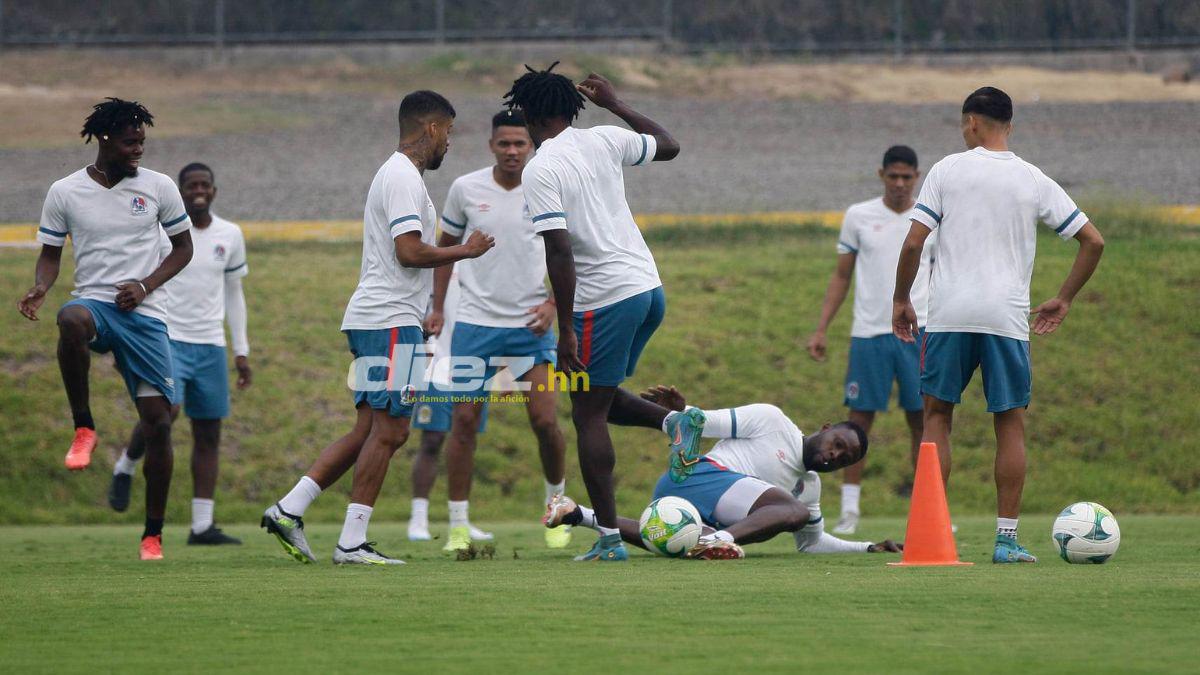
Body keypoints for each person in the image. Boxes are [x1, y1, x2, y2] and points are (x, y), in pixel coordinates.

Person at [261, 90, 494, 565]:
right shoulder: (402, 177)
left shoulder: (400, 175)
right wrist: (463, 252)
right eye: (448, 132)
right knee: (392, 431)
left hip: (385, 317)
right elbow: (409, 251)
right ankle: (351, 543)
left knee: (370, 426)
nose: (449, 143)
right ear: (431, 129)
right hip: (386, 319)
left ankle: (290, 509)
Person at [893, 86, 1105, 563]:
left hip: (949, 314)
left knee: (937, 416)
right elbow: (1093, 241)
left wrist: (901, 298)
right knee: (1009, 422)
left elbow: (912, 245)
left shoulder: (948, 169)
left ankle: (932, 529)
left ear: (971, 122)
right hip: (1007, 317)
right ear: (1009, 124)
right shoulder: (1032, 179)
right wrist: (1063, 298)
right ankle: (1006, 540)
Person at [505, 63, 702, 563]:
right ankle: (673, 424)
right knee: (602, 396)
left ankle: (611, 539)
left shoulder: (541, 168)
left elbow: (560, 253)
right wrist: (615, 104)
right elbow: (670, 144)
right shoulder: (603, 139)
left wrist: (566, 327)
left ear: (527, 113)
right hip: (647, 290)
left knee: (586, 414)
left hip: (604, 300)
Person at [17, 98, 193, 560]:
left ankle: (152, 534)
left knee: (159, 423)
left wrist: (145, 285)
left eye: (142, 141)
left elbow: (182, 248)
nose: (139, 149)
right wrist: (40, 287)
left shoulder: (159, 187)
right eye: (131, 141)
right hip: (96, 303)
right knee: (69, 318)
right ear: (105, 138)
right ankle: (84, 427)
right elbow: (51, 253)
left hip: (147, 316)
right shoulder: (65, 191)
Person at [421, 109, 571, 552]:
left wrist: (552, 304)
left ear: (532, 146)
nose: (511, 151)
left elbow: (569, 254)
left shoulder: (549, 186)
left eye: (519, 144)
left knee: (544, 421)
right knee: (463, 421)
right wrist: (437, 307)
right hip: (476, 325)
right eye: (503, 143)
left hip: (530, 326)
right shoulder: (465, 188)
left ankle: (557, 507)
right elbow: (444, 249)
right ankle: (458, 526)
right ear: (491, 145)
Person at [544, 386, 902, 559]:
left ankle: (578, 514)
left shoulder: (810, 487)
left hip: (684, 511)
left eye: (844, 458)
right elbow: (705, 422)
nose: (834, 455)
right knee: (790, 511)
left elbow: (812, 544)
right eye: (837, 443)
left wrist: (867, 547)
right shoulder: (773, 420)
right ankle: (717, 541)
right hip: (696, 476)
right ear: (825, 428)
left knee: (678, 544)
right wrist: (682, 410)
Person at [107, 162, 251, 546]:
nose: (198, 191)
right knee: (165, 413)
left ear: (214, 191)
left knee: (208, 432)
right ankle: (126, 466)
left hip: (210, 346)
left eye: (205, 184)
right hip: (167, 338)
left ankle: (201, 526)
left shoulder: (230, 234)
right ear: (180, 192)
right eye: (191, 186)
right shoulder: (160, 233)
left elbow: (234, 294)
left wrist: (242, 350)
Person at [806, 146, 932, 535]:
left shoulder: (930, 218)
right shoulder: (858, 216)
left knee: (925, 421)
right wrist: (822, 327)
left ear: (916, 177)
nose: (898, 183)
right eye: (892, 176)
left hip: (919, 331)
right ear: (881, 175)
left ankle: (928, 511)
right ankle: (850, 512)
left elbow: (944, 271)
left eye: (906, 177)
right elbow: (842, 276)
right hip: (869, 334)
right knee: (856, 424)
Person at [407, 267, 492, 543]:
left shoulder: (481, 262)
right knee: (431, 440)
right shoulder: (432, 260)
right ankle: (418, 518)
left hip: (473, 365)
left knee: (466, 440)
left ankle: (461, 520)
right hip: (436, 363)